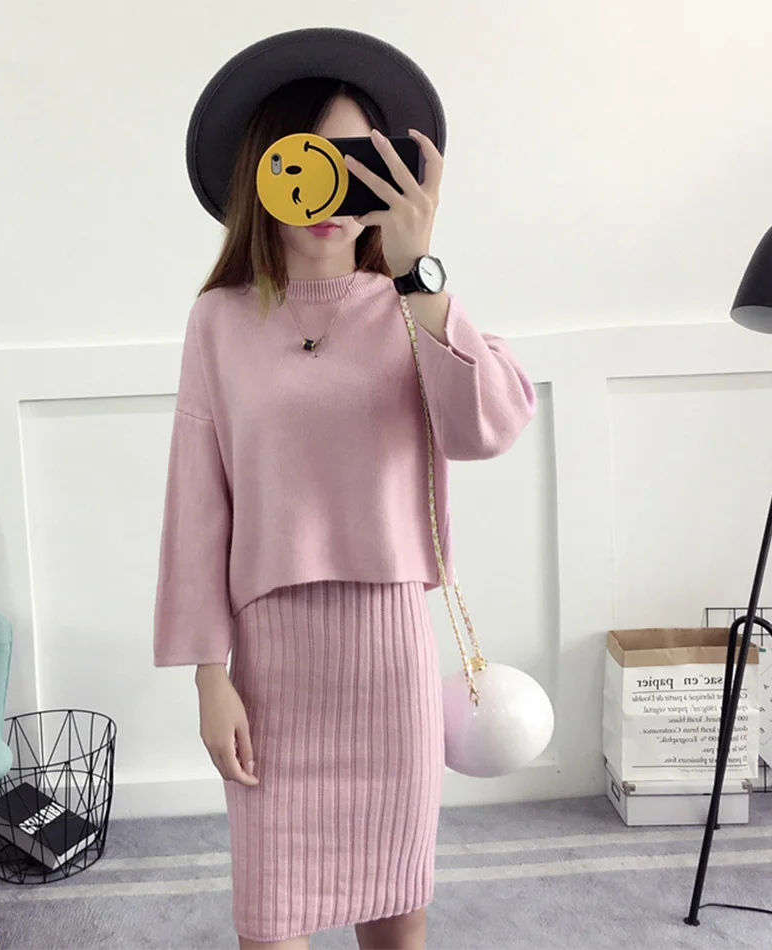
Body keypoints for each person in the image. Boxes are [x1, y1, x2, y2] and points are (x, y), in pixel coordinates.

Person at [153, 29, 536, 950]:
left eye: (355, 161)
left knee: (396, 914)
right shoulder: (219, 322)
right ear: (263, 171)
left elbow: (486, 429)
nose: (327, 190)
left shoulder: (415, 306)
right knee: (271, 921)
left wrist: (421, 276)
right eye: (303, 160)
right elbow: (197, 505)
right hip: (274, 664)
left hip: (388, 652)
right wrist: (209, 677)